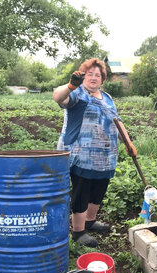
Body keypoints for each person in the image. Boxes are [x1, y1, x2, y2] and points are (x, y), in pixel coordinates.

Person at [53, 58, 136, 247]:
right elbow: (59, 97)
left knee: (99, 189)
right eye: (89, 74)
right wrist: (71, 85)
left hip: (105, 156)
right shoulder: (77, 93)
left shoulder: (107, 98)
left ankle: (90, 221)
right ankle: (79, 231)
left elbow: (117, 121)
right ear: (82, 76)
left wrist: (128, 143)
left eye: (97, 75)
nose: (93, 77)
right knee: (82, 190)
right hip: (81, 154)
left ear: (103, 79)